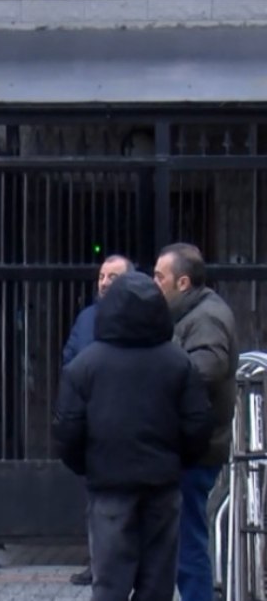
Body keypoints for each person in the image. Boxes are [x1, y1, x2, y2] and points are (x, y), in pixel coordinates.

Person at [53, 271, 212, 601]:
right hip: (162, 486)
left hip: (109, 487)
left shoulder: (84, 366)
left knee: (109, 583)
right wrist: (176, 461)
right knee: (157, 585)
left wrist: (91, 466)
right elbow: (198, 425)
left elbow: (67, 430)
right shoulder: (178, 363)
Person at [154, 243, 237, 601]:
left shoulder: (206, 318)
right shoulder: (191, 313)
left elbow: (209, 366)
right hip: (191, 443)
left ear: (182, 282)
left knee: (189, 543)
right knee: (183, 539)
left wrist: (162, 374)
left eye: (160, 277)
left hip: (197, 447)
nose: (153, 283)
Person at [64, 254, 133, 587]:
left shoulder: (145, 317)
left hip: (133, 423)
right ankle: (98, 564)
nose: (105, 282)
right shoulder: (86, 318)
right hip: (96, 422)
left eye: (113, 276)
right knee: (97, 503)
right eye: (102, 276)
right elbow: (70, 361)